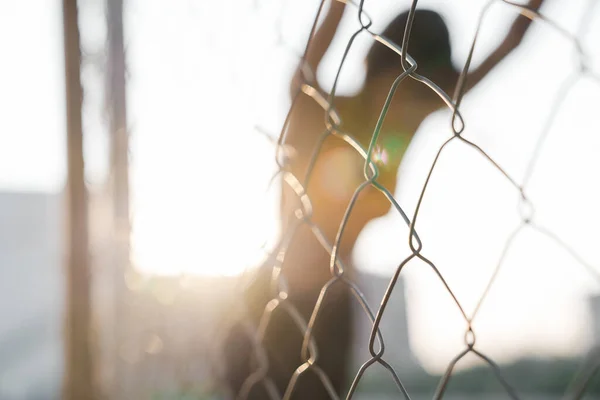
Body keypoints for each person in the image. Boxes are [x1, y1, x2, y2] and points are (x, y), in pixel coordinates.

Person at [218, 1, 545, 398]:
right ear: (380, 67)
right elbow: (304, 73)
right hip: (272, 301)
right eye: (407, 85)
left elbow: (509, 43)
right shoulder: (321, 111)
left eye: (426, 87)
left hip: (332, 309)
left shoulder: (408, 117)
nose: (413, 103)